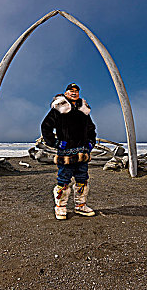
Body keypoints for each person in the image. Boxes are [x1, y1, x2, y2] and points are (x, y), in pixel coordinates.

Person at [41, 83, 97, 220]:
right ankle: (60, 207)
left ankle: (80, 206)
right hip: (66, 152)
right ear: (66, 93)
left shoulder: (83, 110)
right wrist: (55, 143)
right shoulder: (59, 108)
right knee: (63, 179)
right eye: (71, 91)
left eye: (76, 91)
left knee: (82, 179)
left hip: (83, 152)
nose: (74, 93)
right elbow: (46, 126)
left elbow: (91, 128)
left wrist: (91, 142)